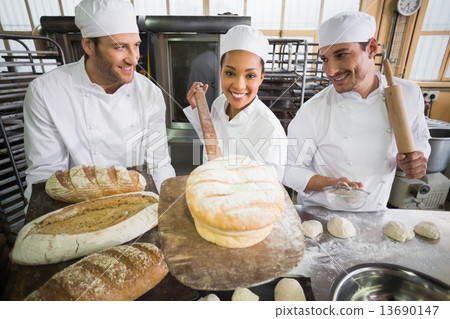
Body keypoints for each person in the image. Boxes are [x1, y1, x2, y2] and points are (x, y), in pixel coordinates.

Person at [23, 0, 175, 202]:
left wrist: (168, 206)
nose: (133, 58)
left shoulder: (149, 93)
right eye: (120, 47)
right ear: (89, 45)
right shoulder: (46, 92)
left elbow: (159, 164)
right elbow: (44, 175)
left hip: (135, 201)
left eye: (136, 45)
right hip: (73, 204)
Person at [283, 12, 431, 211]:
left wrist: (420, 157)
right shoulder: (314, 110)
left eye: (341, 55)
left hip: (376, 213)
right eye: (325, 59)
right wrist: (332, 184)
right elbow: (289, 169)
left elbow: (420, 137)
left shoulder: (408, 94)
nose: (330, 71)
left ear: (371, 48)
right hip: (321, 215)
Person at [184, 25, 287, 181]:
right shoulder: (219, 103)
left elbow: (269, 191)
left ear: (261, 77)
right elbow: (212, 145)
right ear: (220, 71)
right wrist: (197, 109)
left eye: (250, 75)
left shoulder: (271, 131)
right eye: (230, 73)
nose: (239, 85)